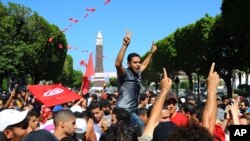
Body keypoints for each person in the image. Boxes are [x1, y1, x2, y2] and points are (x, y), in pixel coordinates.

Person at [115, 30, 157, 135]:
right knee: (141, 127)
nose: (138, 64)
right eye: (135, 62)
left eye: (139, 62)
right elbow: (117, 64)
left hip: (132, 111)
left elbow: (145, 64)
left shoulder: (138, 73)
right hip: (122, 111)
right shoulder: (125, 73)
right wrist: (124, 45)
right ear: (129, 64)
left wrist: (151, 52)